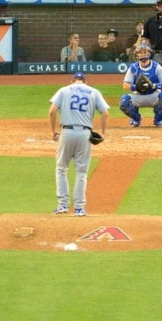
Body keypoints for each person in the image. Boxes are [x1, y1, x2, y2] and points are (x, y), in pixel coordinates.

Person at [49, 72, 109, 217]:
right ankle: (79, 208)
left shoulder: (64, 90)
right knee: (81, 172)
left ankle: (63, 205)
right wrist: (103, 133)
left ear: (72, 81)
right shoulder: (94, 92)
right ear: (85, 82)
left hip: (67, 133)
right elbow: (105, 113)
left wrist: (53, 131)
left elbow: (52, 112)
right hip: (84, 134)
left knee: (61, 168)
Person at [120, 42, 162, 127]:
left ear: (149, 53)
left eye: (144, 52)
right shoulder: (133, 68)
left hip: (154, 95)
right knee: (124, 101)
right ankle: (136, 118)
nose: (142, 54)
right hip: (138, 95)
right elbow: (125, 85)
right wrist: (136, 87)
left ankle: (158, 119)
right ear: (137, 54)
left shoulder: (156, 67)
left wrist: (154, 86)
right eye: (140, 52)